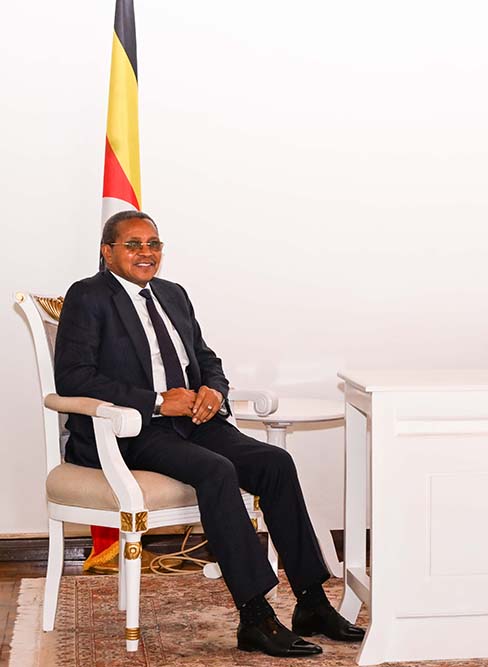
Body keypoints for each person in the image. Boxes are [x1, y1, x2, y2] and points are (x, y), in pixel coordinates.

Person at [54, 210, 364, 657]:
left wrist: (213, 392)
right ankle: (255, 615)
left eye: (154, 244)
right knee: (217, 471)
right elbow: (74, 378)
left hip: (194, 421)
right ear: (107, 252)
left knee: (274, 463)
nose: (147, 253)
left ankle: (312, 602)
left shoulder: (173, 295)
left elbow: (206, 359)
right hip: (131, 429)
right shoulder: (88, 297)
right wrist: (159, 401)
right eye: (134, 244)